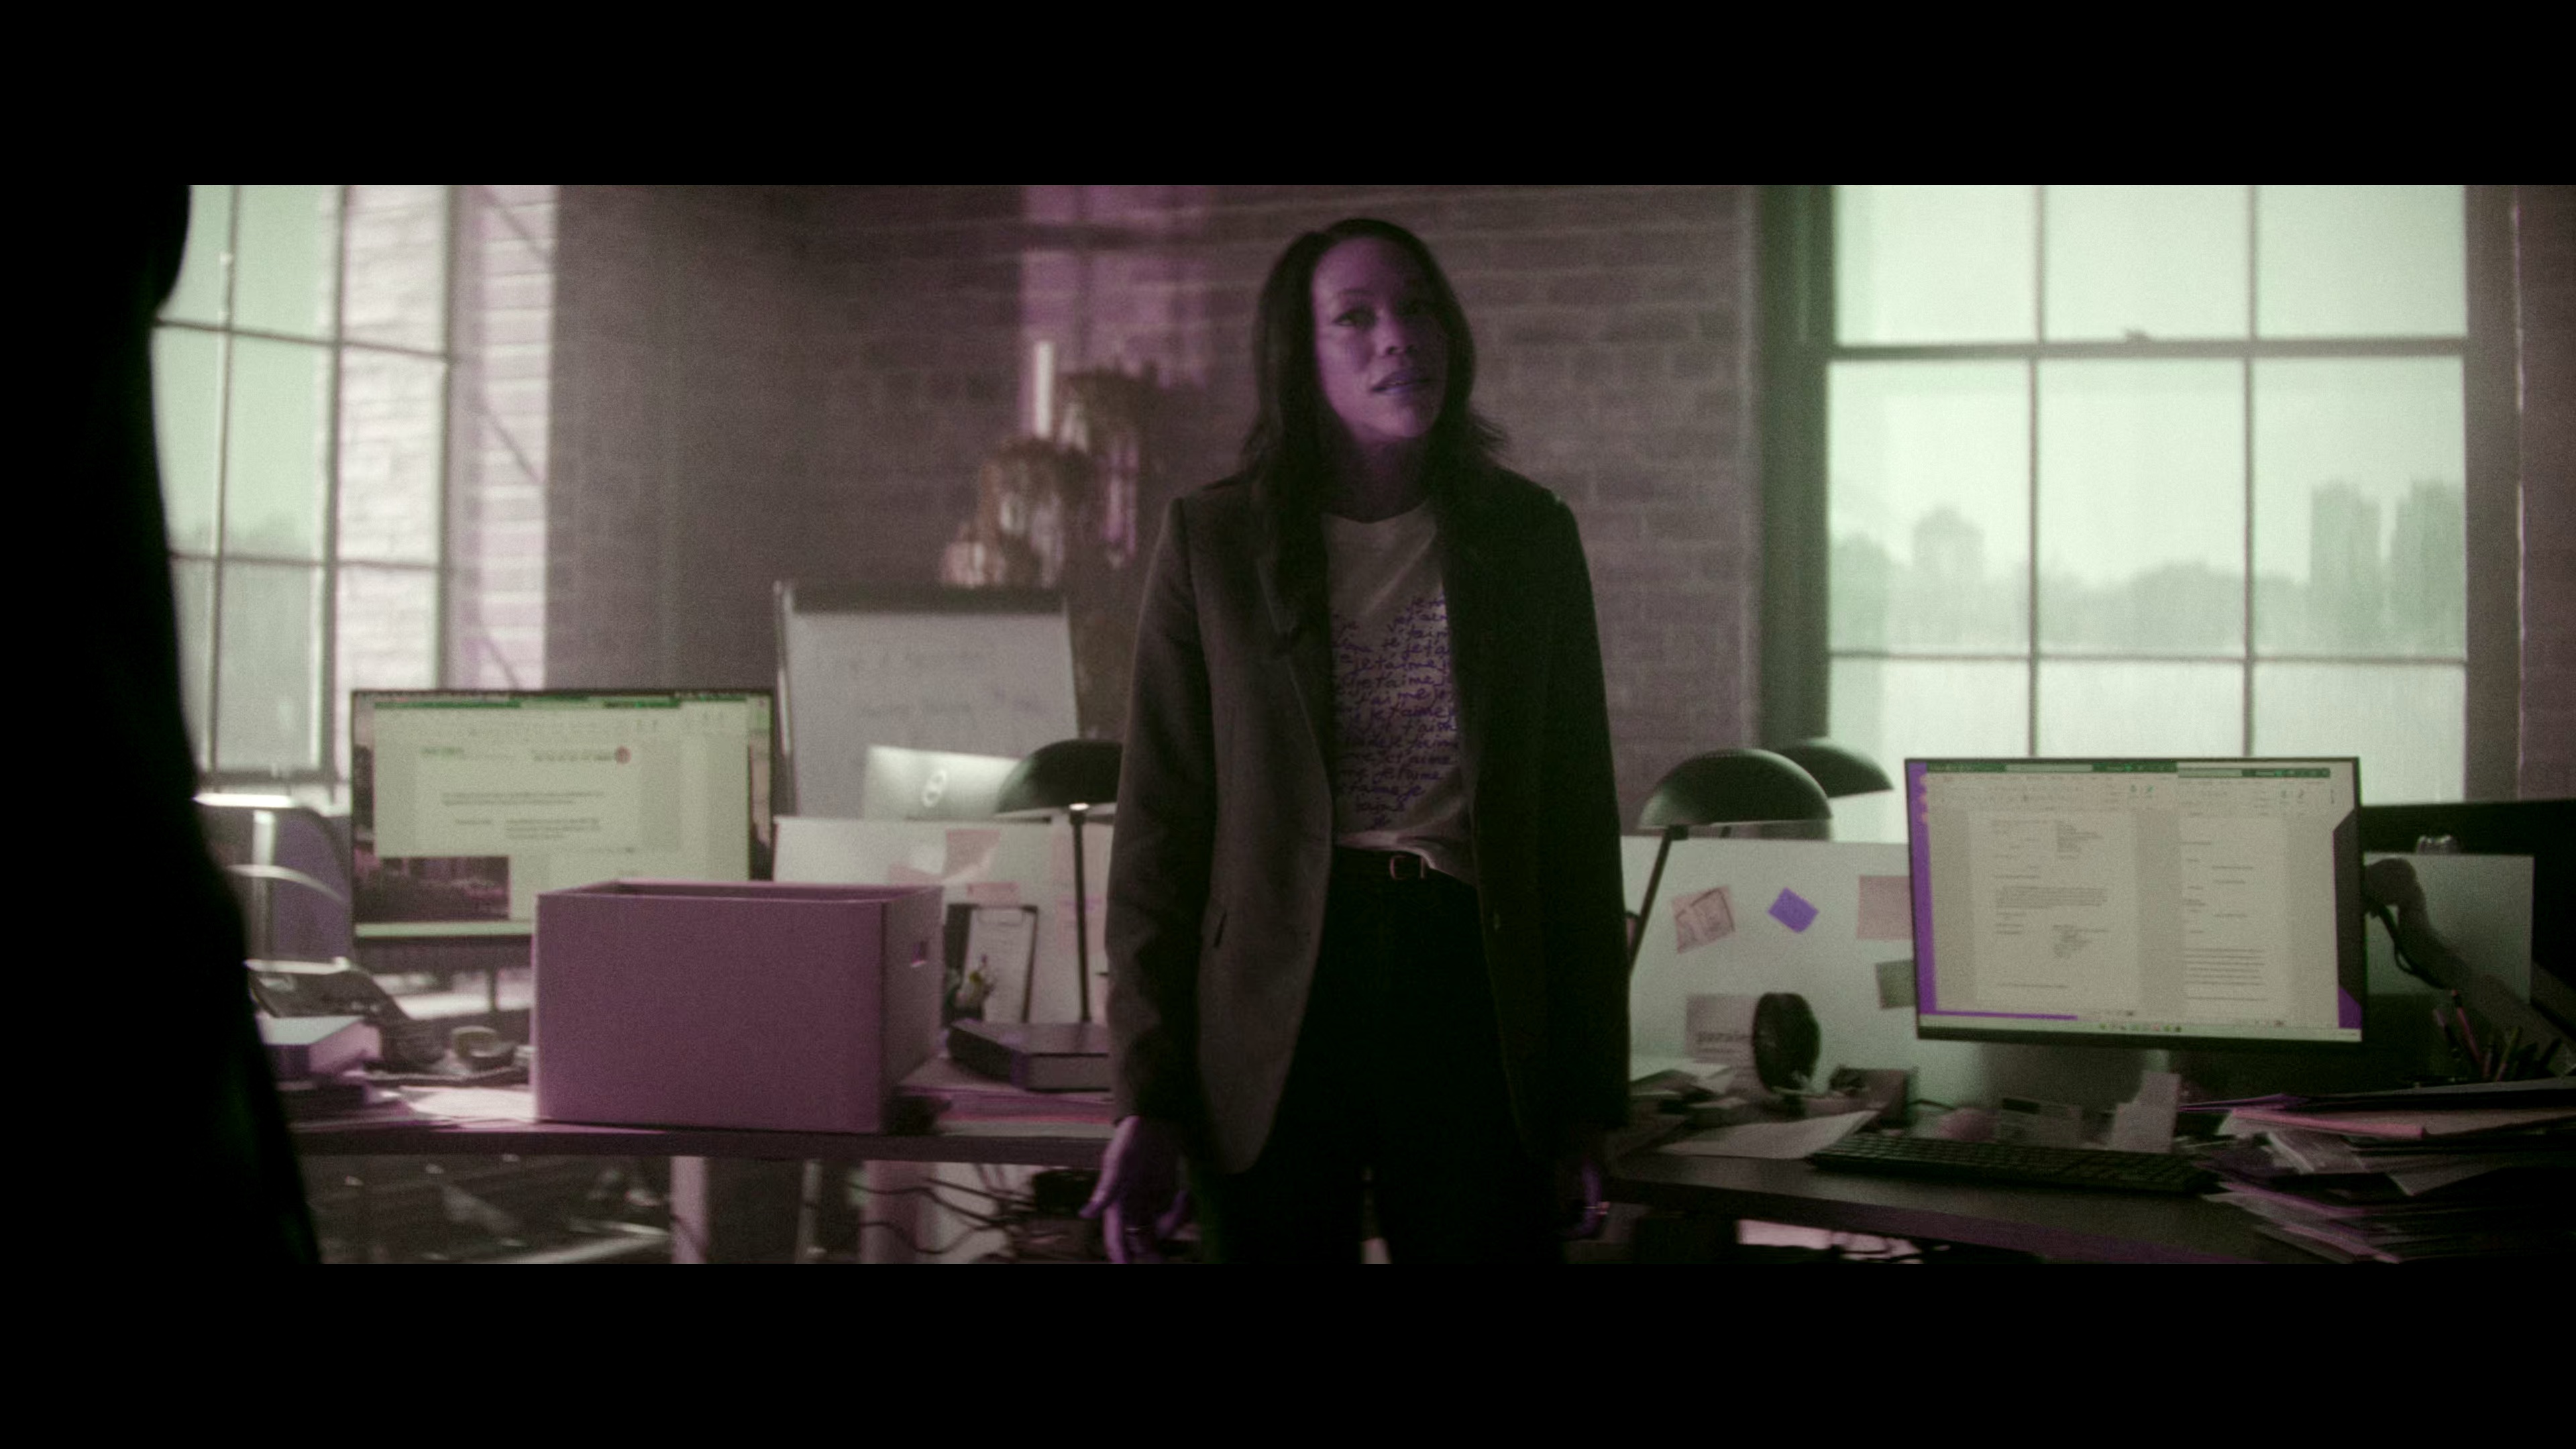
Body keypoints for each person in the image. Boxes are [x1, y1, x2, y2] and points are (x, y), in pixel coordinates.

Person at [1082, 218, 1629, 1263]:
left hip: (1469, 984)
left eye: (1419, 308)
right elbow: (1159, 832)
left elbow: (1575, 823)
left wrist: (1587, 1099)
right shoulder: (1215, 542)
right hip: (1276, 1004)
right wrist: (1143, 1092)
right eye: (1356, 317)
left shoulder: (1527, 536)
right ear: (1301, 355)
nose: (1398, 337)